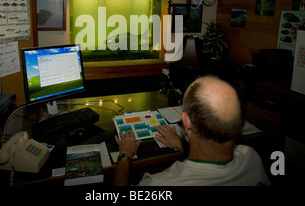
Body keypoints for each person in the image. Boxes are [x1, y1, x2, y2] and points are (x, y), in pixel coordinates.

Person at [113, 75, 271, 186]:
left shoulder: (161, 183)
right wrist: (180, 144)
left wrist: (125, 155)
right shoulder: (251, 157)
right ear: (240, 124)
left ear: (186, 121)